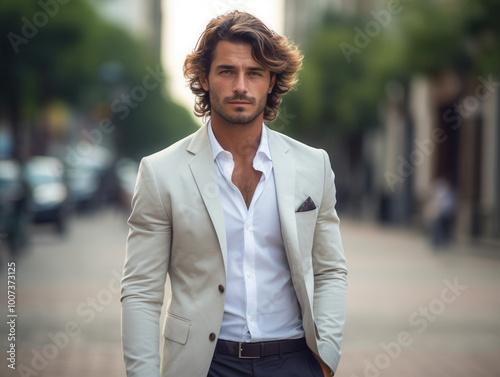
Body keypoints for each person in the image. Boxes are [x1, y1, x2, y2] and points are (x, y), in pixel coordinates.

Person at [121, 11, 347, 377]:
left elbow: (331, 270)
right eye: (227, 71)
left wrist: (326, 358)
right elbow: (141, 291)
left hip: (294, 361)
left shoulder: (314, 165)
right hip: (205, 365)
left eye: (254, 73)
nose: (241, 85)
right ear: (204, 79)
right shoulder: (161, 172)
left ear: (271, 81)